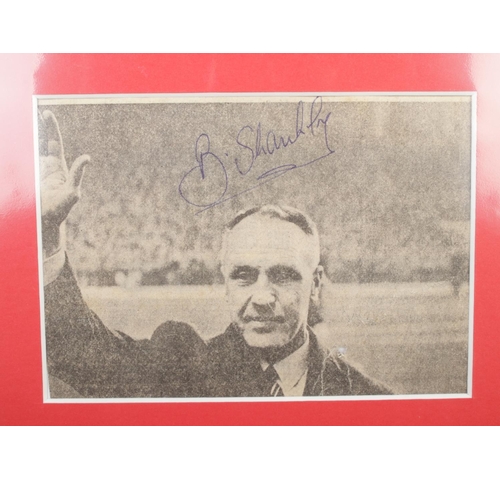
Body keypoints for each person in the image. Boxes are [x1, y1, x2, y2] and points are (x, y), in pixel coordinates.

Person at [40, 110, 391, 399]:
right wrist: (46, 237)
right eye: (243, 276)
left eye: (283, 275)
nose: (263, 297)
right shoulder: (185, 367)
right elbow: (79, 353)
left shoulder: (366, 398)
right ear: (224, 280)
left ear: (315, 284)